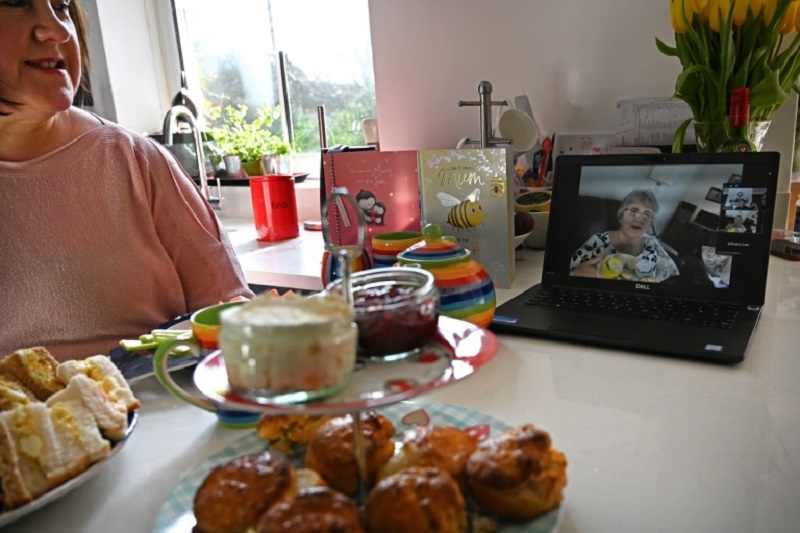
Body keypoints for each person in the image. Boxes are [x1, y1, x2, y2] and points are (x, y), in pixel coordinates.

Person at [1, 0, 253, 361]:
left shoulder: (137, 160)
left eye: (61, 6)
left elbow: (233, 317)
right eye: (15, 2)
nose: (56, 30)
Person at [570, 189, 679, 282]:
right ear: (620, 216)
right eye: (633, 211)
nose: (639, 219)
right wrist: (577, 273)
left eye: (646, 214)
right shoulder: (598, 242)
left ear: (650, 224)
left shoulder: (651, 242)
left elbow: (672, 271)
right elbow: (569, 274)